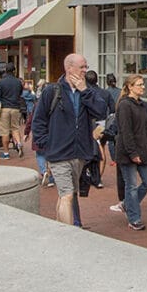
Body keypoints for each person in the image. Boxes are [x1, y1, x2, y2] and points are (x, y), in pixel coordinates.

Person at [30, 52, 104, 226]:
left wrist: (85, 91)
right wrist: (46, 145)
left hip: (79, 153)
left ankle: (58, 229)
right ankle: (68, 236)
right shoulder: (52, 91)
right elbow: (38, 120)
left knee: (67, 195)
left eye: (86, 66)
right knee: (67, 194)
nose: (85, 70)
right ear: (69, 68)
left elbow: (101, 111)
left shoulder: (88, 91)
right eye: (81, 67)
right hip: (58, 154)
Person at [111, 74, 147, 231]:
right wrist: (133, 153)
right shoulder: (124, 105)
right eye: (139, 84)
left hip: (144, 150)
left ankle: (126, 204)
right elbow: (125, 131)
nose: (143, 87)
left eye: (143, 84)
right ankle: (134, 218)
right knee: (130, 185)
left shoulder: (143, 105)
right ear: (130, 87)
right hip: (127, 152)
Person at [0, 64, 26, 159]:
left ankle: (6, 153)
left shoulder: (1, 82)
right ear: (14, 70)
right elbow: (20, 94)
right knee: (15, 128)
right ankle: (18, 143)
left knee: (5, 131)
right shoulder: (18, 82)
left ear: (5, 70)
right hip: (15, 108)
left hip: (4, 108)